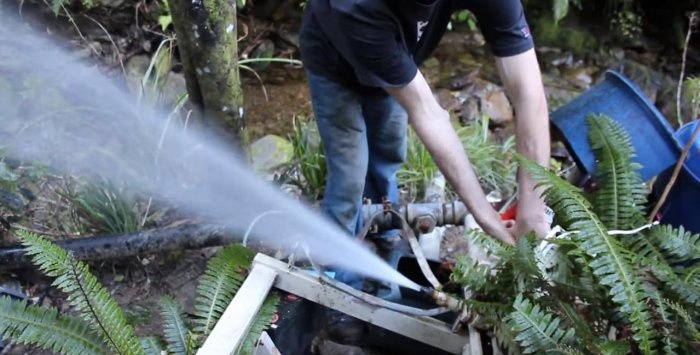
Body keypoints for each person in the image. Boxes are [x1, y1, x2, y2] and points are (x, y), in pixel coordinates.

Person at [300, 0, 550, 294]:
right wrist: (485, 217)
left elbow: (529, 95)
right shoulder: (357, 7)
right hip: (334, 64)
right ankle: (339, 284)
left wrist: (532, 210)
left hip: (396, 53)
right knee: (349, 176)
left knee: (389, 152)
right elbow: (428, 113)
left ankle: (387, 230)